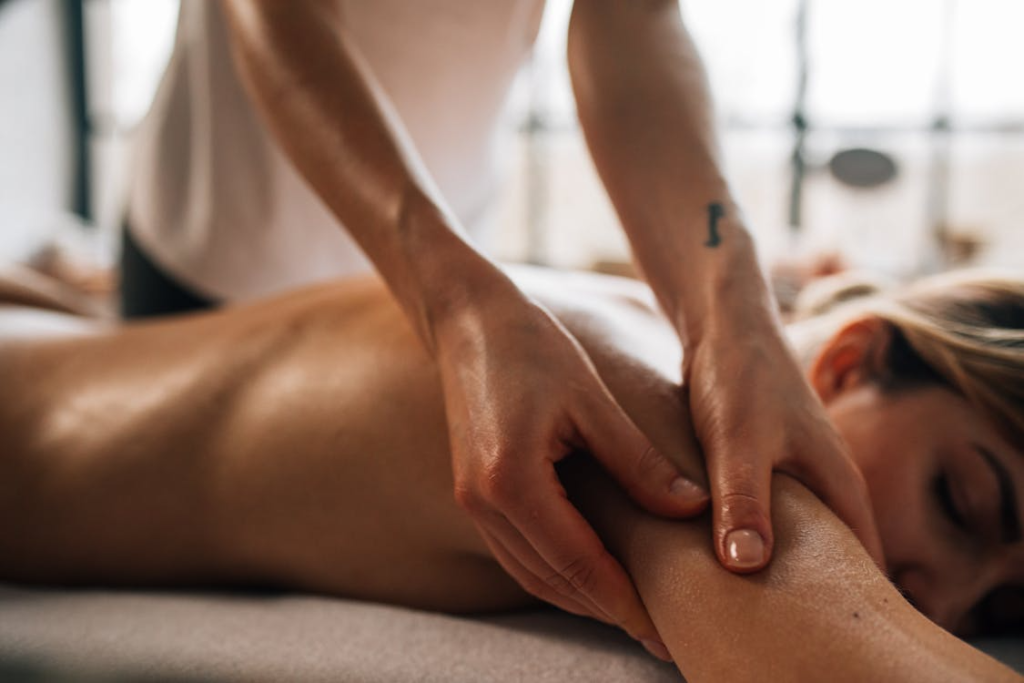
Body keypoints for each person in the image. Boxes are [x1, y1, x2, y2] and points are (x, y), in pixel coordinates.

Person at [122, 0, 884, 643]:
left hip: (443, 210)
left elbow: (630, 17)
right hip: (214, 236)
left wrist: (734, 310)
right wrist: (452, 294)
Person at [0, 263, 1021, 678]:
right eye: (961, 500)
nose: (950, 596)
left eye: (1005, 599)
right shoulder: (632, 399)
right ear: (849, 360)